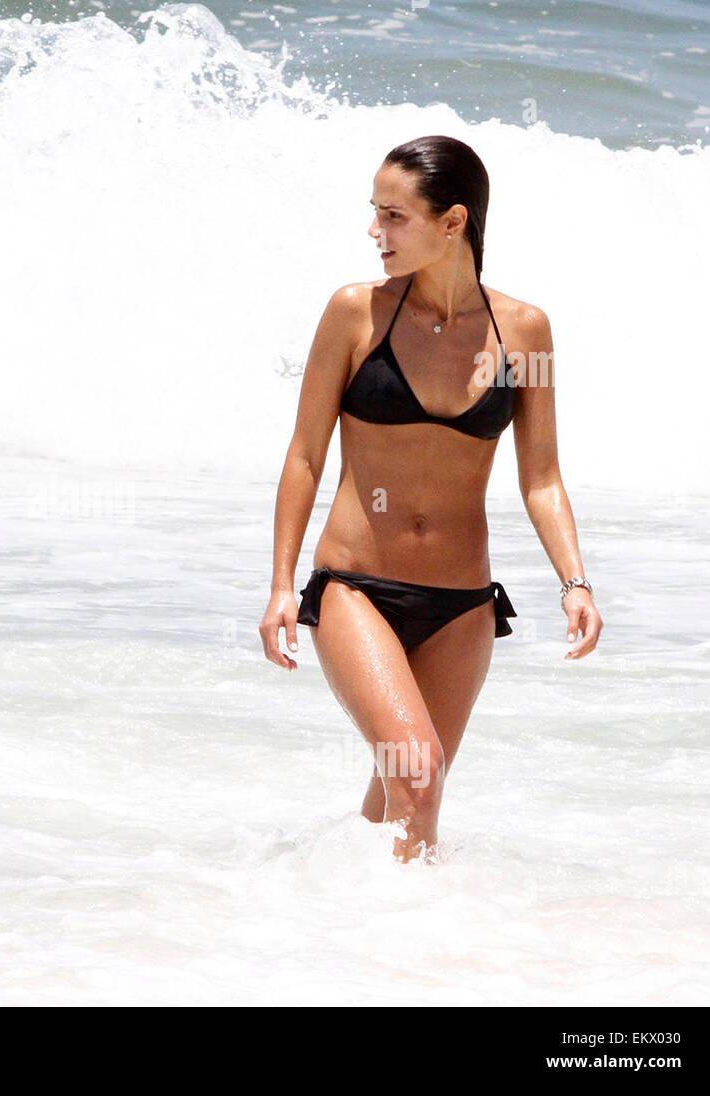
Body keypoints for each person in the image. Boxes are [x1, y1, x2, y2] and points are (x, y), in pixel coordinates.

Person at [259, 136, 602, 863]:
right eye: (374, 214)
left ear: (453, 222)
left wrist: (575, 582)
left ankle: (342, 922)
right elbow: (305, 454)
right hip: (357, 588)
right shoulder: (357, 313)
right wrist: (282, 586)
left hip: (462, 604)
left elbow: (540, 476)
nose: (374, 232)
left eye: (394, 216)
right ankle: (408, 938)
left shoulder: (525, 331)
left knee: (398, 796)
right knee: (419, 774)